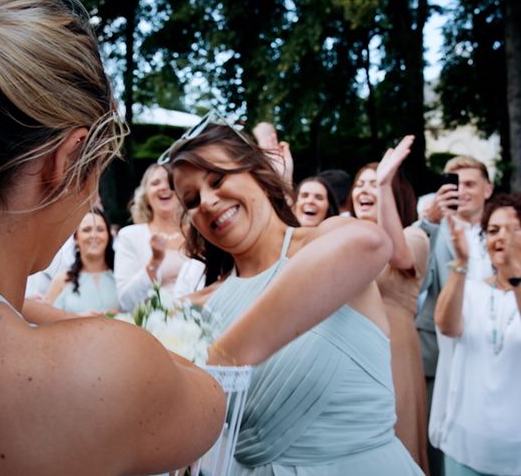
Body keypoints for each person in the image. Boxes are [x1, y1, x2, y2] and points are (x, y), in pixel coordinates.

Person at [0, 0, 226, 474]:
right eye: (96, 172)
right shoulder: (104, 369)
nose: (88, 205)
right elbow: (211, 401)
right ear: (66, 160)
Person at [166, 122, 424, 475]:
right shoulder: (197, 308)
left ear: (258, 171)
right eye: (192, 201)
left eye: (217, 179)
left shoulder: (324, 240)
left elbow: (371, 243)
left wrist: (223, 359)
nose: (208, 202)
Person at [350, 137, 431, 473]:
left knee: (396, 440)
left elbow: (396, 255)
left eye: (376, 182)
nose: (365, 189)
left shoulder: (416, 236)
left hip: (393, 352)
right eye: (360, 184)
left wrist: (384, 183)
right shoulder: (343, 237)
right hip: (351, 353)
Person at [433, 193, 521, 476]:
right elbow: (447, 326)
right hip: (466, 447)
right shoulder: (471, 289)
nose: (501, 237)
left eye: (513, 228)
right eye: (493, 230)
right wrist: (461, 262)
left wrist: (515, 270)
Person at [415, 155, 493, 476]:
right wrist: (429, 224)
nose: (462, 191)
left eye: (471, 184)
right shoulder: (436, 229)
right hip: (442, 356)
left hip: (494, 353)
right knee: (441, 449)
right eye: (455, 184)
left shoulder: (501, 230)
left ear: (488, 189)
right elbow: (414, 281)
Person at [114, 163, 203, 311]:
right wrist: (154, 262)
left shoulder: (200, 233)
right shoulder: (130, 236)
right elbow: (126, 302)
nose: (163, 187)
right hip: (155, 326)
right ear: (146, 195)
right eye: (155, 183)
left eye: (170, 182)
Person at [44, 208, 119, 316]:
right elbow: (45, 323)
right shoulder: (61, 280)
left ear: (108, 235)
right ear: (75, 238)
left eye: (100, 229)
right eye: (87, 230)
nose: (94, 235)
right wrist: (77, 319)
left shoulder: (121, 277)